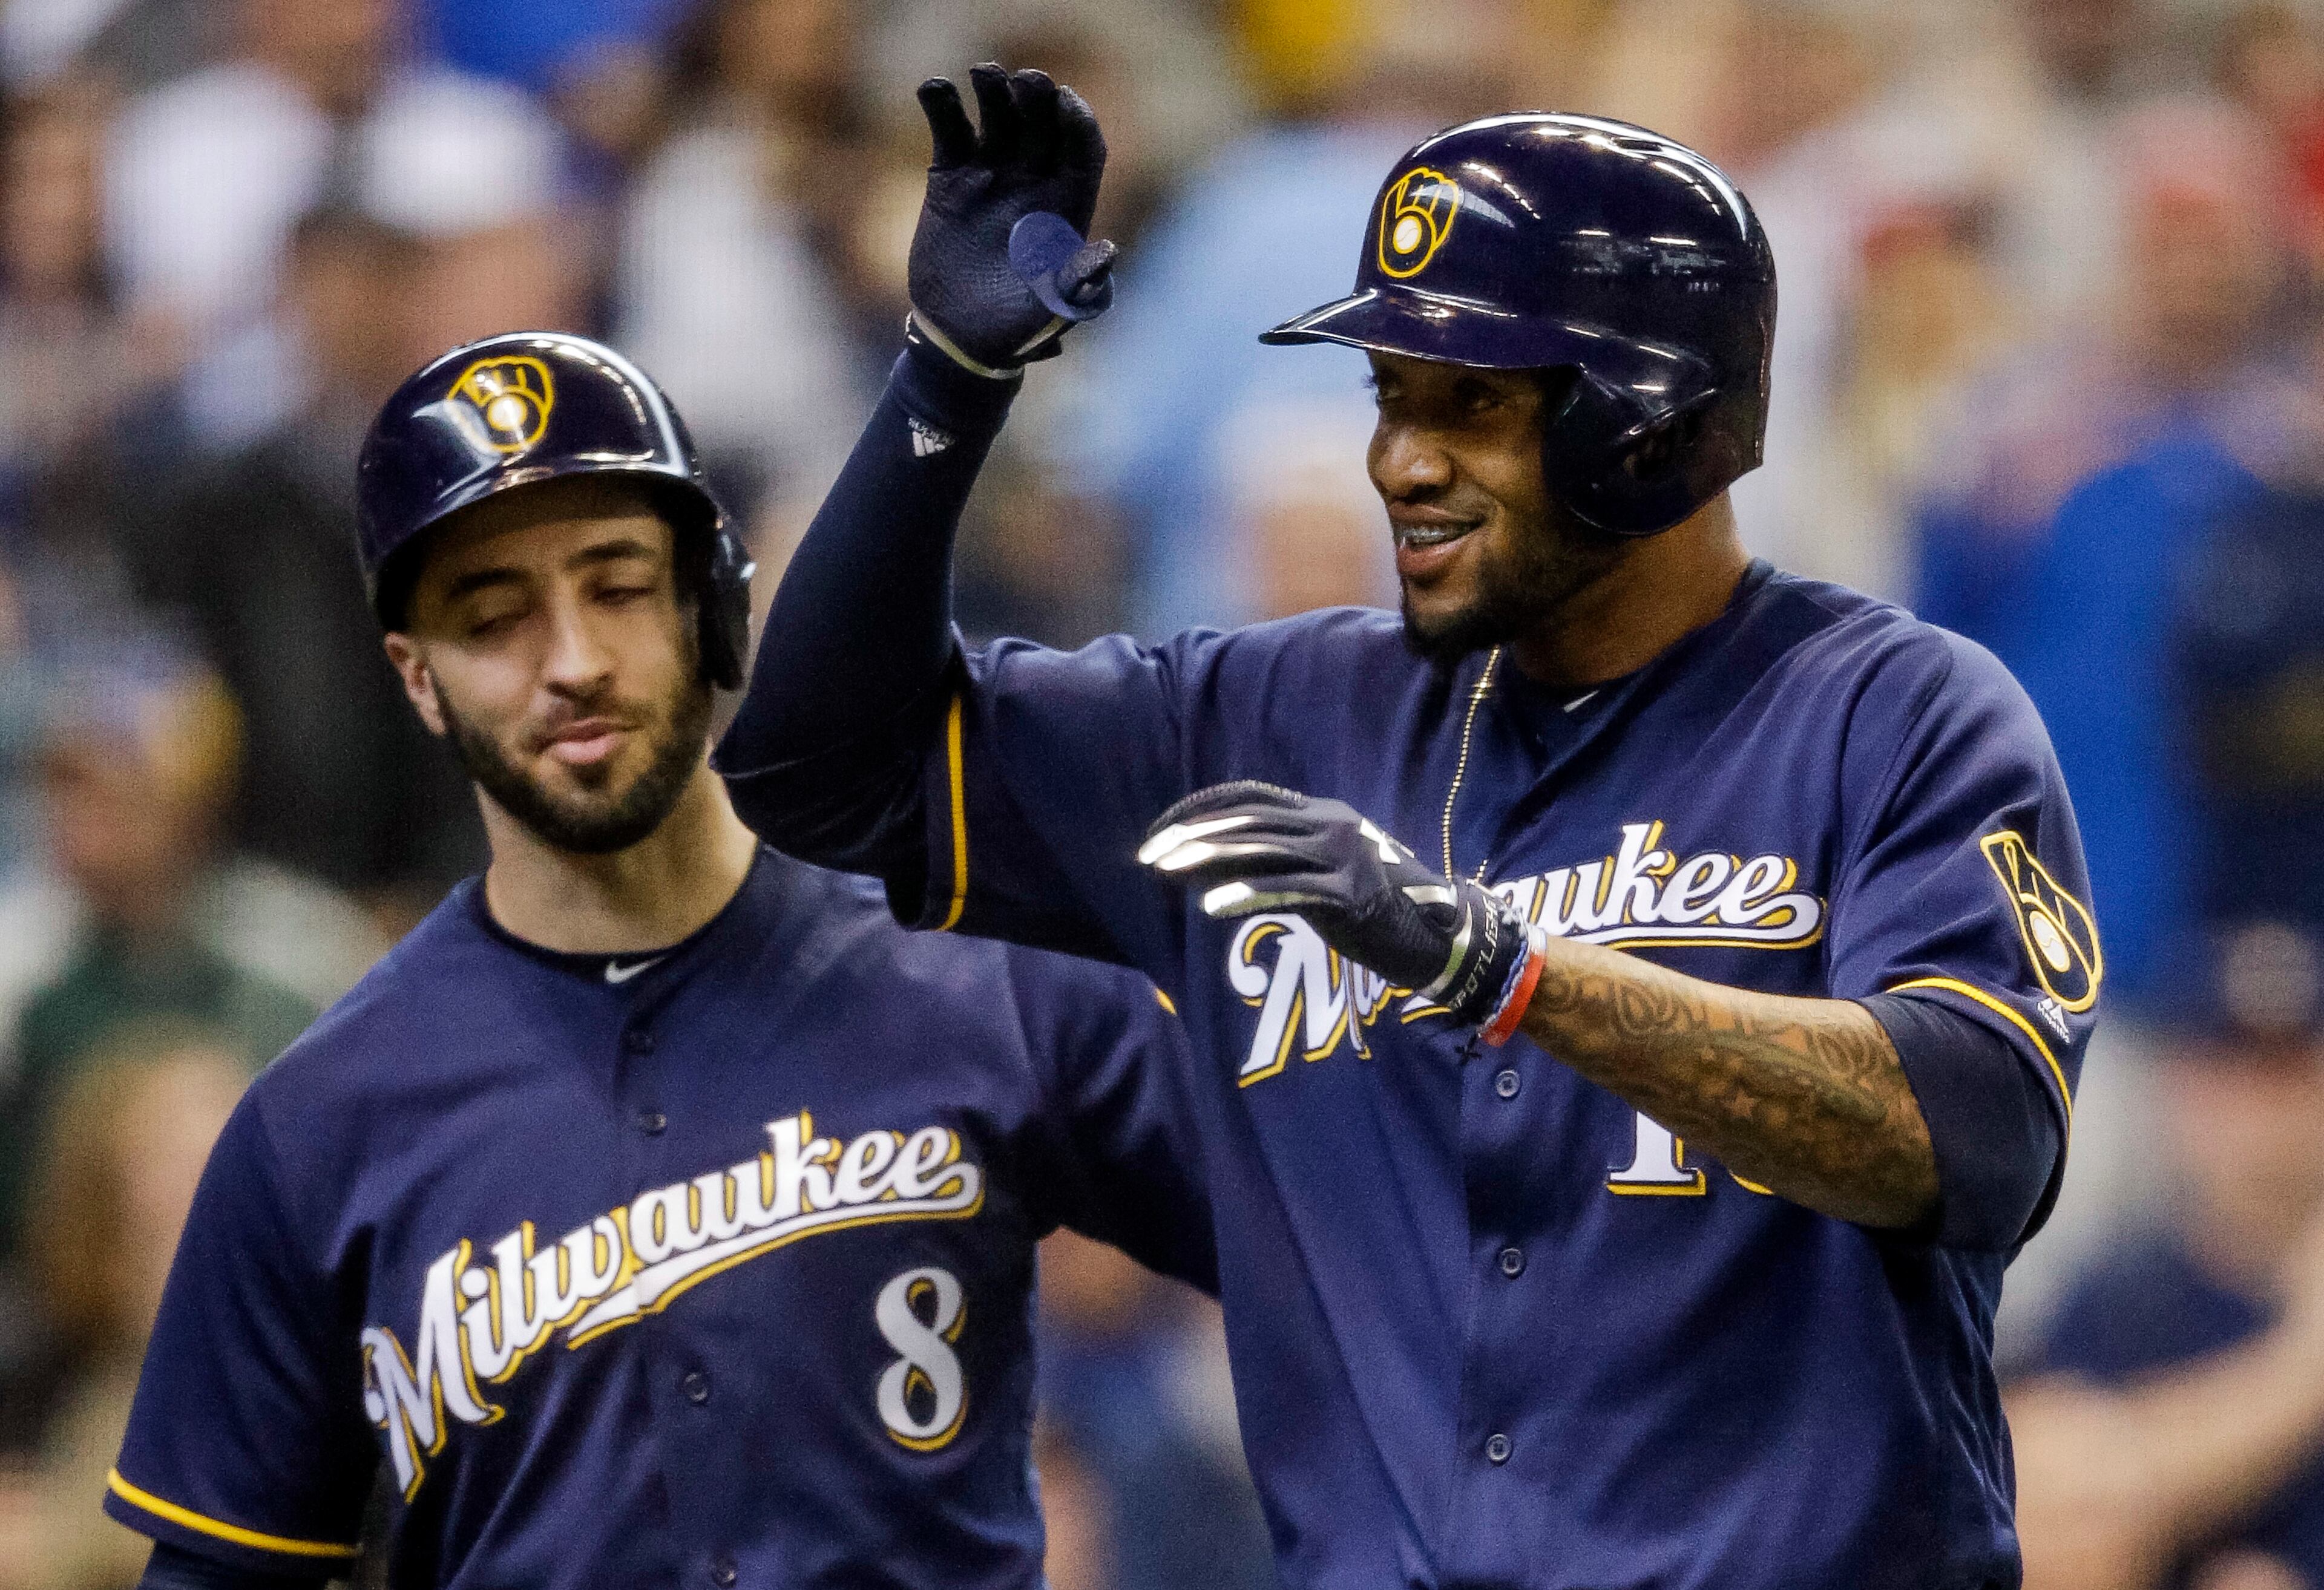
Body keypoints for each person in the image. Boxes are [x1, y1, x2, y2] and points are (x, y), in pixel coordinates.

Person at [719, 70, 2100, 1588]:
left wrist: (1511, 973)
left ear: (1649, 420)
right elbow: (818, 770)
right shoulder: (1259, 714)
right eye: (1387, 394)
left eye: (1470, 404)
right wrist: (945, 384)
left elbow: (1967, 1134)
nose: (1398, 458)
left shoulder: (1894, 714)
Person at [102, 332, 1213, 1589]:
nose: (572, 660)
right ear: (417, 678)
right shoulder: (316, 1129)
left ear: (709, 604)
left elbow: (1355, 1247)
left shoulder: (976, 969)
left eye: (618, 586)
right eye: (494, 617)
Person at [2009, 921, 2324, 1590]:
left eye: (2287, 1072)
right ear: (2181, 1087)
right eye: (2228, 1071)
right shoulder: (2120, 1303)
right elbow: (2052, 1500)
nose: (2259, 1114)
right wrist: (2304, 1368)